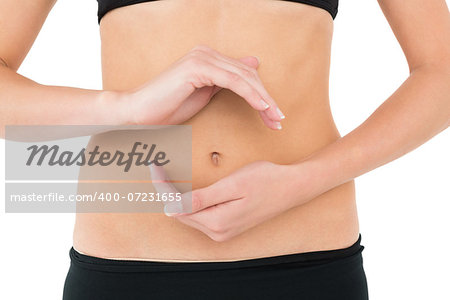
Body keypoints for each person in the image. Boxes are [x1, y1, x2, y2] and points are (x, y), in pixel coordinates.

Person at [1, 0, 449, 299]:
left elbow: (442, 70)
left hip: (306, 261)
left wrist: (304, 180)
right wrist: (127, 107)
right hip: (125, 265)